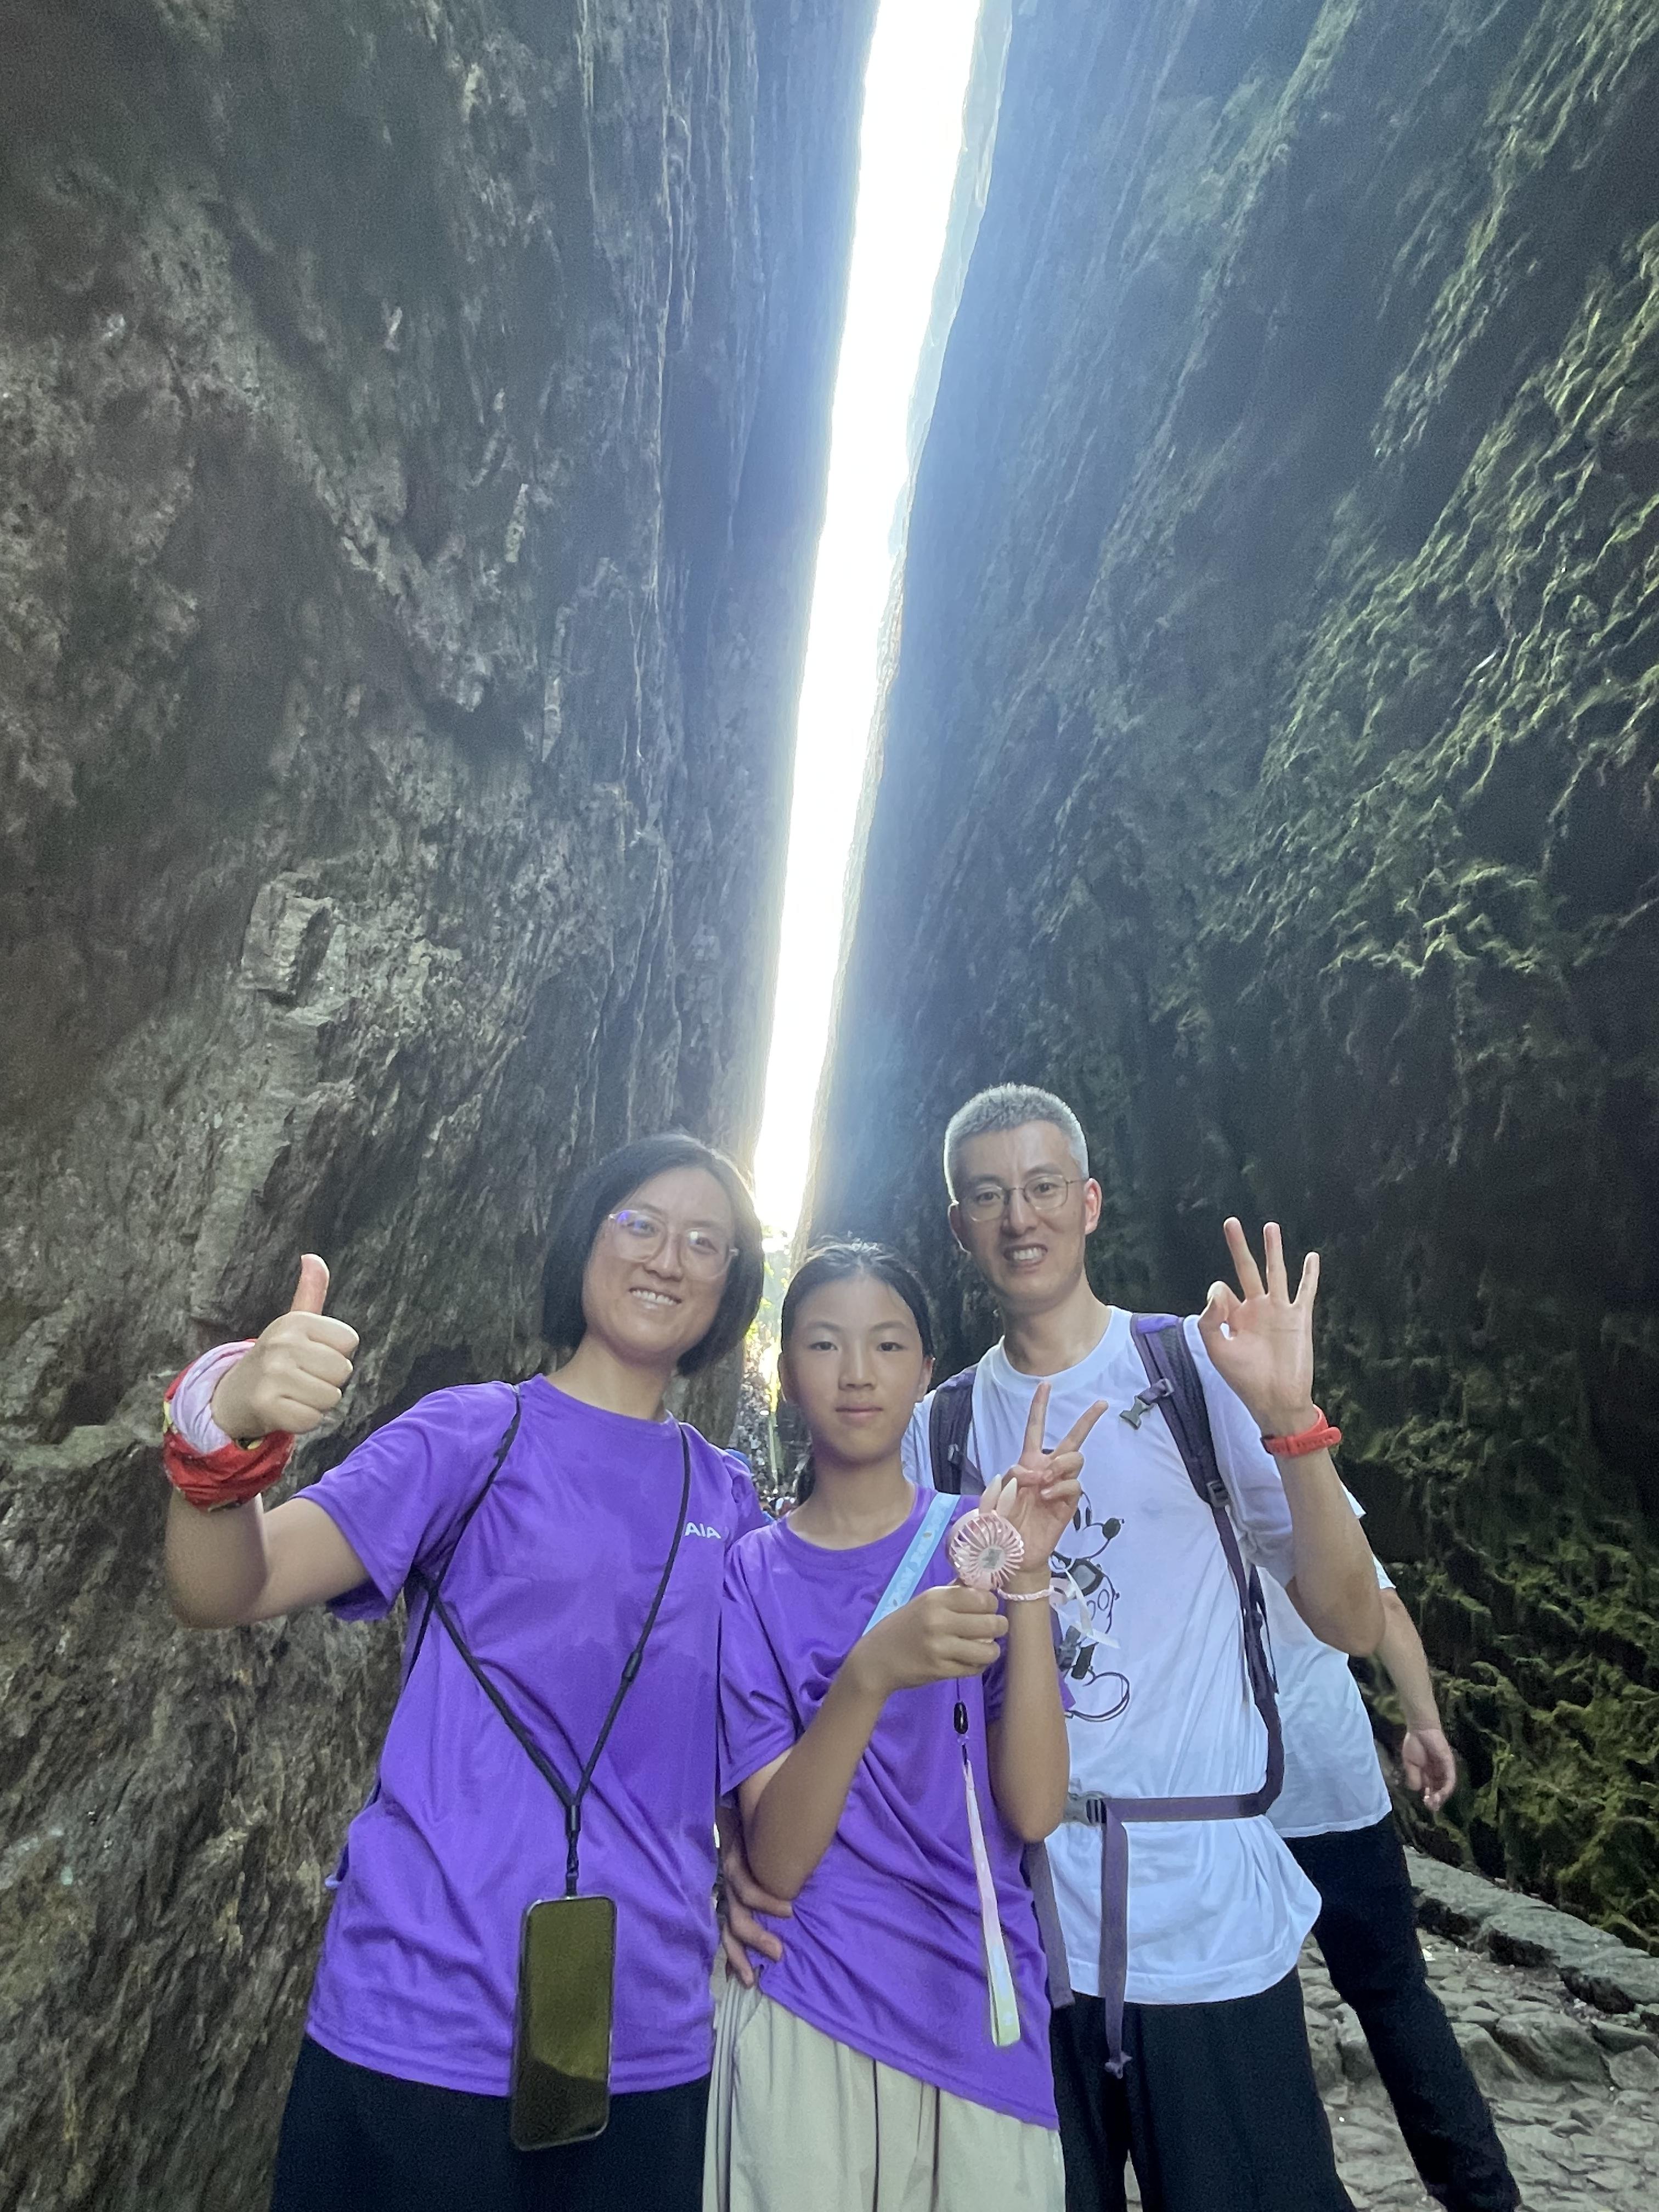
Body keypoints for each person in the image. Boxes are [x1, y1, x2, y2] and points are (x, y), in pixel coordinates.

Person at [161, 1133, 774, 2212]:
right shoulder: (472, 1435)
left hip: (645, 2038)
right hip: (419, 2018)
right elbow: (228, 1587)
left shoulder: (730, 1501)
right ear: (584, 1242)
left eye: (704, 1242)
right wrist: (225, 1423)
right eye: (639, 1223)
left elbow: (735, 1741)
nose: (667, 1257)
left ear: (730, 1288)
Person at [901, 1083, 1384, 2212]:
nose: (1019, 1217)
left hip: (1206, 1919)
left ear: (1089, 1203)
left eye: (1043, 1187)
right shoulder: (942, 1426)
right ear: (960, 1226)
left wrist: (1292, 1418)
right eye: (988, 1196)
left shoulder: (1193, 1372)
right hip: (1029, 1932)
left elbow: (1350, 1619)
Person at [706, 1241, 1100, 2212]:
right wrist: (870, 1673)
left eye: (886, 1345)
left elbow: (1034, 1809)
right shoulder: (748, 1573)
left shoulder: (981, 1541)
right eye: (823, 1345)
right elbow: (775, 1861)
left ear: (926, 1369)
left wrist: (1028, 1580)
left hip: (975, 2006)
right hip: (805, 1992)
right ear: (785, 1372)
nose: (856, 1373)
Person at [1260, 1568, 1521, 2210]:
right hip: (1337, 1784)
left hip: (1233, 1801)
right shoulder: (1310, 1510)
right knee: (1395, 1993)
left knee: (1260, 2012)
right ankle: (1482, 2191)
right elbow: (1388, 1610)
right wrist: (1425, 1723)